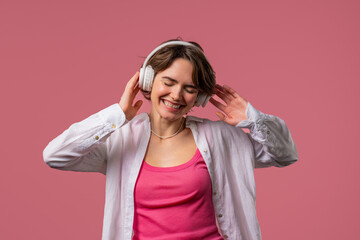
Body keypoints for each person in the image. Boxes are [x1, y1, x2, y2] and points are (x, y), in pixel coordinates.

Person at [43, 39, 298, 240]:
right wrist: (117, 115)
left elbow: (285, 154)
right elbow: (55, 155)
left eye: (190, 88)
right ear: (149, 81)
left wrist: (253, 119)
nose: (177, 95)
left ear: (199, 97)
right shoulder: (121, 139)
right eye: (169, 82)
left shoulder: (221, 138)